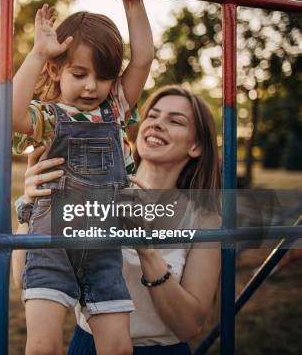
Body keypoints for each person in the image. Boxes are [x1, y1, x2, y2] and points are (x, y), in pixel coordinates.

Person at [13, 86, 222, 354]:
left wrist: (147, 253)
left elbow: (189, 326)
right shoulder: (87, 190)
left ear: (196, 146)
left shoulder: (204, 220)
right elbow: (22, 278)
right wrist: (31, 206)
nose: (157, 124)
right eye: (153, 116)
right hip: (89, 346)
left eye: (174, 121)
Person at [11, 0, 154, 355]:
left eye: (104, 77)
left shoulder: (115, 110)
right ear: (55, 71)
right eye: (79, 73)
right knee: (43, 347)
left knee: (119, 348)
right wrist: (38, 52)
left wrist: (133, 3)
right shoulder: (49, 115)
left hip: (103, 247)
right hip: (51, 243)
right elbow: (10, 113)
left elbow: (143, 58)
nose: (92, 86)